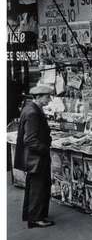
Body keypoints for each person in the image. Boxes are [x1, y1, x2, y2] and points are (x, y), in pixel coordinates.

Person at [14, 85, 55, 228]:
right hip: (36, 158)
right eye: (47, 96)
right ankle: (37, 218)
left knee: (35, 188)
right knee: (39, 188)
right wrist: (44, 149)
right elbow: (30, 139)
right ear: (38, 97)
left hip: (33, 157)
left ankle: (34, 215)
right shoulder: (33, 113)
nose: (49, 99)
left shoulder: (30, 108)